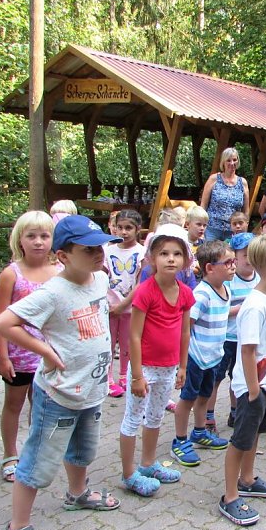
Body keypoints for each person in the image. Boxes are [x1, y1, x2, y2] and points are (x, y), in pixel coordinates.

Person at [0, 215, 123, 530]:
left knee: (83, 450)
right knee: (38, 461)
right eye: (88, 249)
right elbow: (4, 322)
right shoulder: (52, 291)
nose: (99, 253)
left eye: (100, 246)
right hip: (59, 395)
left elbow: (107, 309)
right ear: (63, 256)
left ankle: (77, 493)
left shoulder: (97, 279)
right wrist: (45, 350)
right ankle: (16, 528)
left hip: (91, 390)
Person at [219, 233, 266, 526]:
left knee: (254, 435)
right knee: (240, 440)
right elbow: (248, 351)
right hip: (253, 387)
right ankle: (230, 496)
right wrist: (252, 390)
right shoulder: (255, 305)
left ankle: (247, 479)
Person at [119, 224, 194, 496]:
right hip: (145, 369)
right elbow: (134, 336)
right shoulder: (145, 291)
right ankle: (129, 474)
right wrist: (137, 375)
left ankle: (148, 464)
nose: (170, 259)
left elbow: (185, 331)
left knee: (155, 417)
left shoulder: (185, 292)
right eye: (163, 253)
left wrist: (182, 366)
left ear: (186, 260)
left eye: (176, 253)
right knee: (133, 418)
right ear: (152, 258)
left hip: (168, 368)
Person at [0, 211, 62, 482]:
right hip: (18, 355)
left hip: (49, 354)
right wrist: (1, 356)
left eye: (44, 236)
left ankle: (36, 452)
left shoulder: (60, 272)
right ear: (19, 239)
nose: (38, 242)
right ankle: (10, 454)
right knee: (13, 404)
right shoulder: (11, 274)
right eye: (31, 236)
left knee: (42, 405)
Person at [170, 241, 234, 467]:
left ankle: (199, 432)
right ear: (209, 268)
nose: (233, 267)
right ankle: (179, 441)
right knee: (187, 399)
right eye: (228, 263)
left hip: (214, 356)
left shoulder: (226, 289)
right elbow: (185, 326)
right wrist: (182, 362)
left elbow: (224, 315)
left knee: (204, 396)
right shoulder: (202, 294)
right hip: (197, 357)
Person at [209, 233, 259, 433]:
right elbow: (220, 311)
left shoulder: (259, 279)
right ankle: (208, 417)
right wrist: (242, 309)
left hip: (246, 340)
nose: (249, 259)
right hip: (227, 338)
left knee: (238, 379)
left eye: (253, 254)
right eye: (245, 254)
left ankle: (235, 412)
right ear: (234, 258)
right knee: (217, 378)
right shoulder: (228, 281)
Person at [104, 210, 146, 398]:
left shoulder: (142, 252)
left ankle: (124, 375)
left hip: (131, 307)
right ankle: (107, 379)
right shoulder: (107, 250)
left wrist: (124, 305)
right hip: (109, 307)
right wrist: (111, 305)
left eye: (128, 228)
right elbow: (102, 276)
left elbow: (140, 282)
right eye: (120, 227)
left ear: (137, 229)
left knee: (128, 343)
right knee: (109, 343)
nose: (123, 232)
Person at [200, 147, 250, 241]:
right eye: (228, 160)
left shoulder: (242, 182)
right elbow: (203, 205)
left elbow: (246, 210)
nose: (232, 163)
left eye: (234, 160)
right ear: (223, 162)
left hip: (233, 231)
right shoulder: (214, 179)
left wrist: (245, 228)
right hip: (212, 229)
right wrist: (201, 227)